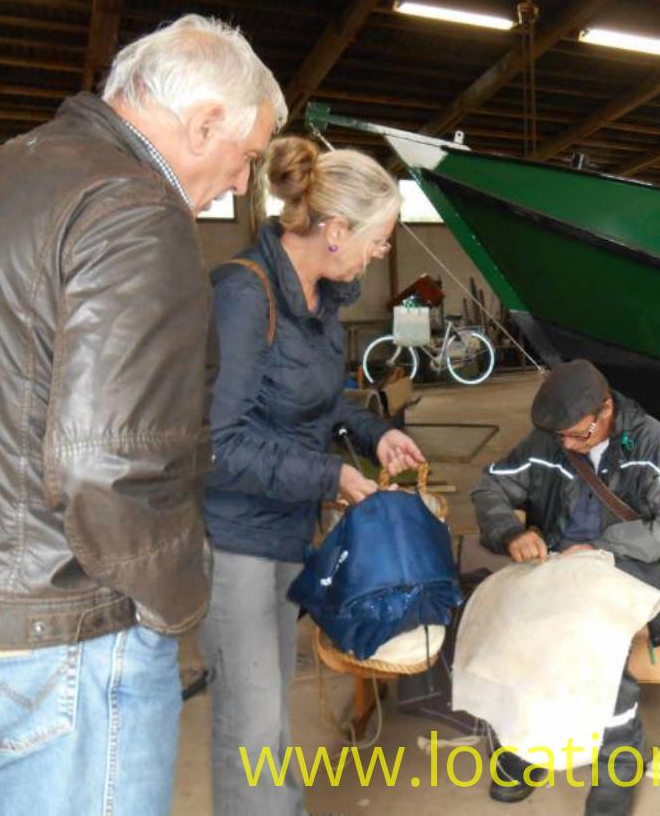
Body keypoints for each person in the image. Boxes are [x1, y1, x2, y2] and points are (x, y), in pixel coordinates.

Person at [0, 15, 283, 813]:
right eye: (247, 158)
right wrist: (170, 600)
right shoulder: (135, 207)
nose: (238, 183)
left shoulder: (16, 169)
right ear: (204, 123)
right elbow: (105, 462)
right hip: (72, 626)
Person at [199, 135, 425, 815]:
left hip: (285, 529)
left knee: (269, 711)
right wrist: (332, 477)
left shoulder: (321, 297)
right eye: (379, 237)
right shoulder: (244, 294)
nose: (383, 252)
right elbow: (217, 444)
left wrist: (376, 430)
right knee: (251, 721)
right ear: (333, 231)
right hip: (234, 536)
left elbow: (322, 400)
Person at [473, 359, 660, 815]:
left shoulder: (655, 445)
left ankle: (620, 754)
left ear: (606, 410)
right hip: (558, 562)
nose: (568, 445)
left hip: (632, 565)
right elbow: (490, 488)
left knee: (590, 630)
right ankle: (527, 740)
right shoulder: (550, 441)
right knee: (508, 617)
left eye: (579, 434)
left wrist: (601, 545)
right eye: (561, 437)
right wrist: (510, 533)